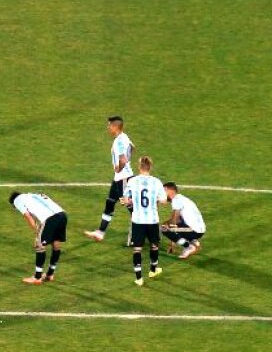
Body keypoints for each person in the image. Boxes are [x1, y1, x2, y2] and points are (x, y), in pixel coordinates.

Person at [85, 116, 135, 243]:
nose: (108, 128)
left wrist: (119, 168)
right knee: (110, 203)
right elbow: (132, 147)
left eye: (109, 125)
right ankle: (101, 232)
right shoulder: (124, 137)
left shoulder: (118, 141)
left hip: (123, 179)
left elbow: (123, 159)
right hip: (119, 179)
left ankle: (142, 234)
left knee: (132, 208)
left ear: (115, 127)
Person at [121, 156, 168, 285]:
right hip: (152, 219)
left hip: (138, 220)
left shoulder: (133, 181)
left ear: (139, 167)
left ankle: (138, 278)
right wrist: (156, 200)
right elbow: (164, 201)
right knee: (154, 245)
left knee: (137, 248)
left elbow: (125, 200)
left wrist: (129, 201)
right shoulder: (157, 182)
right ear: (150, 167)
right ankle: (153, 270)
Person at [9, 191, 68, 284]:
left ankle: (37, 277)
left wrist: (37, 232)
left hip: (50, 219)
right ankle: (50, 274)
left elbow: (28, 216)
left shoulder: (17, 200)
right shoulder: (33, 194)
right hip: (62, 215)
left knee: (39, 245)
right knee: (56, 244)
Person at [162, 182, 206, 259]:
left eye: (164, 191)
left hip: (193, 231)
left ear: (170, 191)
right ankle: (195, 242)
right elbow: (178, 222)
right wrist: (172, 243)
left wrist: (166, 223)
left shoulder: (176, 200)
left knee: (163, 228)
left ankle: (189, 247)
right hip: (199, 229)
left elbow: (174, 221)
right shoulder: (182, 198)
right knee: (176, 224)